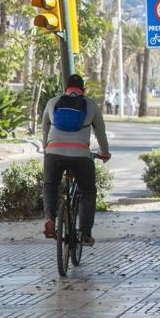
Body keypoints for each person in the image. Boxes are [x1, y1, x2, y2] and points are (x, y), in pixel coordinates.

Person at [42, 74, 111, 246]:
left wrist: (47, 149)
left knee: (50, 185)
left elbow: (44, 129)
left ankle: (50, 219)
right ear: (83, 90)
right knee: (88, 192)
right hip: (81, 156)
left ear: (66, 89)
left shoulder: (52, 102)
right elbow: (100, 132)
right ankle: (85, 234)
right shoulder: (91, 104)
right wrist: (104, 152)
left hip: (53, 154)